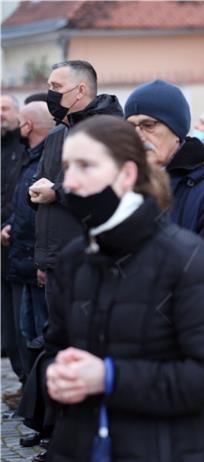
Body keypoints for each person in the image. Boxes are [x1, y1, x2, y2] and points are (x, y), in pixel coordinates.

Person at [39, 115, 204, 462]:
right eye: (66, 167)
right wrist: (56, 377)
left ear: (127, 174)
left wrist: (109, 377)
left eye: (86, 166)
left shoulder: (185, 259)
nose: (69, 182)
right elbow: (56, 348)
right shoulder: (75, 259)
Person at [125, 79, 204, 299]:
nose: (138, 135)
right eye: (131, 127)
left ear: (176, 131)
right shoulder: (122, 185)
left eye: (148, 125)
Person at [28, 60, 123, 296]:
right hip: (53, 263)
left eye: (57, 86)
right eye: (49, 85)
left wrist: (56, 193)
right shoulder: (57, 133)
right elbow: (42, 180)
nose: (51, 93)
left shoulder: (107, 130)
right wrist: (34, 193)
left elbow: (106, 192)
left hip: (90, 262)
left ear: (80, 90)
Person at [4, 102, 51, 395]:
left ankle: (42, 402)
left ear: (28, 126)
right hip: (22, 262)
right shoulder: (30, 159)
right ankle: (33, 399)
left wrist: (41, 262)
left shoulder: (44, 161)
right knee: (26, 335)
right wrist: (10, 224)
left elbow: (44, 219)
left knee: (38, 337)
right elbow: (20, 206)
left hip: (35, 265)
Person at [1, 94, 27, 402]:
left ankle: (27, 383)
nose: (0, 115)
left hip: (16, 243)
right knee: (8, 324)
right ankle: (23, 381)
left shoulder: (24, 149)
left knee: (22, 323)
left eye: (5, 109)